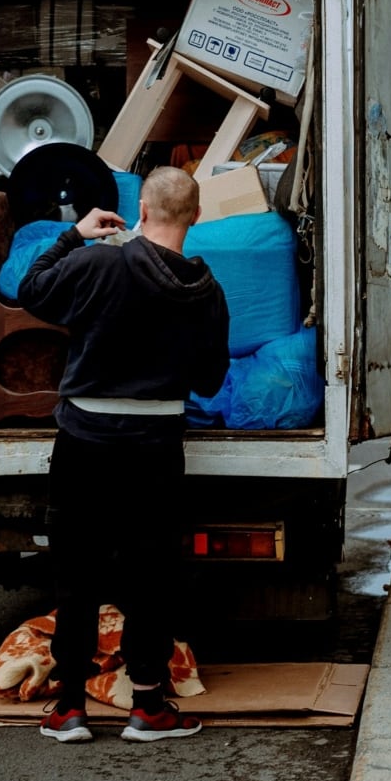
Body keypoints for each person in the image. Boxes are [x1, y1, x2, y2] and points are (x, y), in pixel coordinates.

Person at [16, 167, 231, 744]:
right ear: (196, 216)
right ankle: (149, 708)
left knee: (77, 573)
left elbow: (30, 289)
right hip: (156, 446)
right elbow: (210, 382)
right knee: (151, 576)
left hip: (83, 441)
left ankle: (69, 708)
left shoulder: (95, 264)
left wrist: (74, 235)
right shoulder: (207, 291)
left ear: (141, 210)